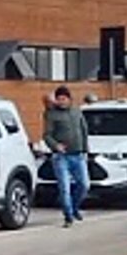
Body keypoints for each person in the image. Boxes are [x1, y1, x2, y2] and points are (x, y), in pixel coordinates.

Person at [43, 85, 90, 228]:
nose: (61, 101)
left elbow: (83, 130)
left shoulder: (77, 112)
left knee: (84, 184)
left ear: (69, 99)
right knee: (65, 187)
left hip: (78, 154)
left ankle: (75, 207)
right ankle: (68, 215)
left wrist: (85, 149)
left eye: (64, 98)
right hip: (61, 156)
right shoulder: (51, 114)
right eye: (59, 99)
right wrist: (55, 146)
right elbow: (46, 135)